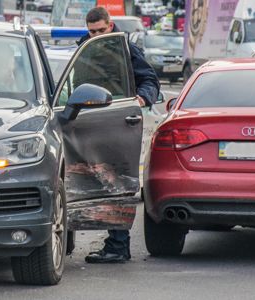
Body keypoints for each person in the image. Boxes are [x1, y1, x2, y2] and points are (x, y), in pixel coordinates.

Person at [78, 6, 159, 264]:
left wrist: (140, 98)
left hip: (117, 121)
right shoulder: (84, 45)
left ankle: (118, 245)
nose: (96, 35)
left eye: (101, 30)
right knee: (88, 181)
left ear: (110, 25)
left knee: (117, 182)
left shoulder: (126, 48)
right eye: (92, 31)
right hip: (88, 121)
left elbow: (150, 81)